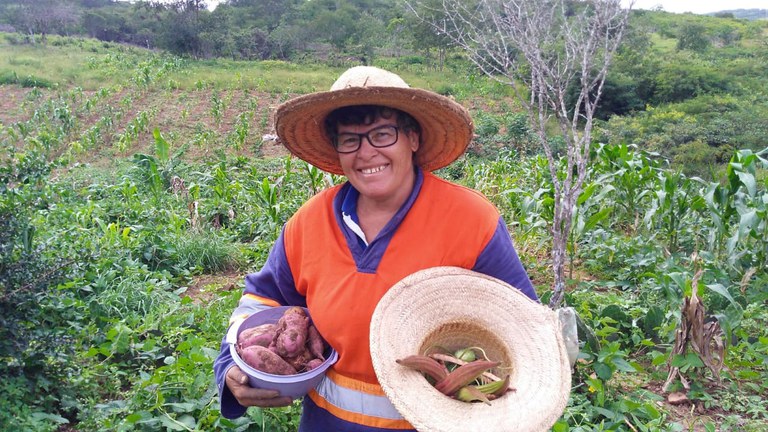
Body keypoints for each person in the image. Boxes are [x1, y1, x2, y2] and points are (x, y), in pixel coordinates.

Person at [213, 66, 538, 431]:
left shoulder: (472, 221)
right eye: (350, 139)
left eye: (382, 134)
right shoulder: (309, 222)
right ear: (338, 151)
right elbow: (262, 301)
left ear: (412, 138)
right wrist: (230, 368)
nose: (366, 152)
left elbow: (525, 334)